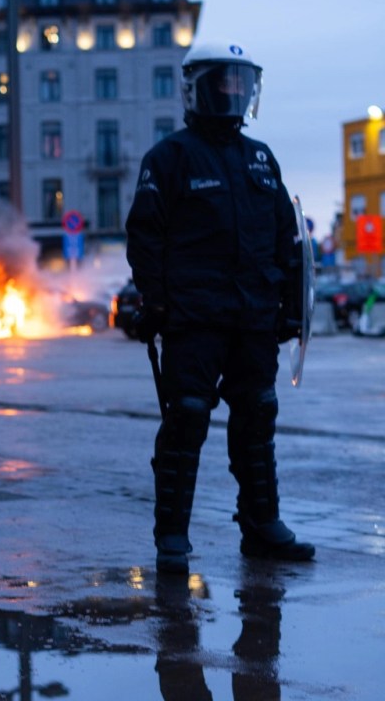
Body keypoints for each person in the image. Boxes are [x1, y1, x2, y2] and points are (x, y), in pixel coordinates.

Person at [126, 40, 315, 574]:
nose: (234, 91)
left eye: (241, 82)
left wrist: (294, 308)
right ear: (197, 87)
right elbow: (145, 237)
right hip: (195, 320)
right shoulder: (171, 157)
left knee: (258, 419)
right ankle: (172, 537)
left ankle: (262, 527)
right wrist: (158, 305)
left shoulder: (260, 158)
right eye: (224, 82)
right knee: (186, 423)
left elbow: (288, 236)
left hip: (255, 318)